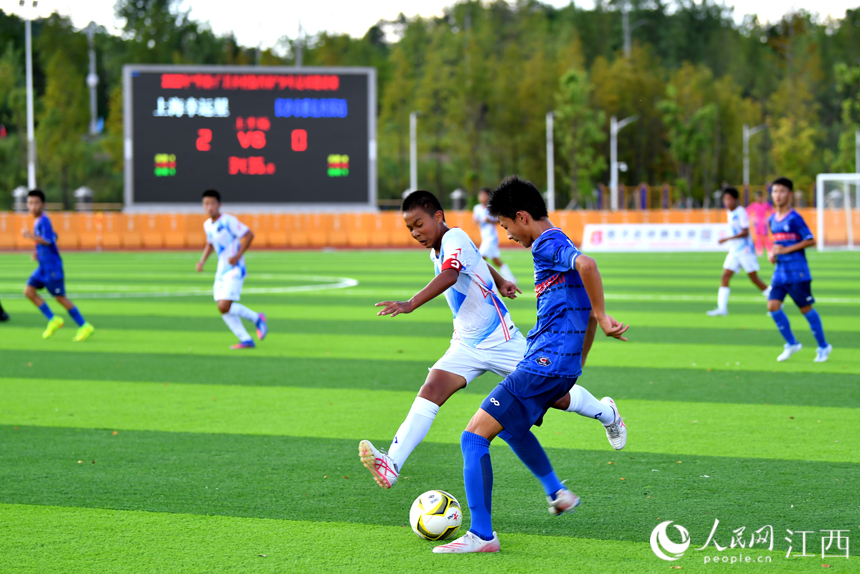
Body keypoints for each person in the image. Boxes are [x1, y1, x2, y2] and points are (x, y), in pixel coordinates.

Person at [359, 190, 622, 491]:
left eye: (419, 224)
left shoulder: (453, 238)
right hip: (466, 343)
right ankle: (392, 464)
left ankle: (608, 414)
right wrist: (500, 281)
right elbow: (476, 258)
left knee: (557, 396)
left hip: (500, 339)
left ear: (438, 217)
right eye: (410, 228)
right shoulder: (444, 246)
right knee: (431, 389)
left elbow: (451, 273)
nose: (415, 232)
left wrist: (411, 303)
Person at [432, 176, 629, 554]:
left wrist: (604, 318)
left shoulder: (547, 243)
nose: (506, 236)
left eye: (506, 226)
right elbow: (583, 307)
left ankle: (482, 535)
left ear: (522, 217)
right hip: (556, 364)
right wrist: (579, 361)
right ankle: (558, 490)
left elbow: (589, 266)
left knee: (473, 436)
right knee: (509, 428)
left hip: (543, 363)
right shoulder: (562, 242)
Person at [766, 177, 831, 363]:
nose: (778, 195)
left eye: (782, 191)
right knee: (772, 307)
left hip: (797, 272)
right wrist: (773, 254)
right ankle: (792, 343)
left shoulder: (795, 218)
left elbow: (810, 240)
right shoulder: (772, 220)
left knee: (805, 309)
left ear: (790, 194)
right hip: (780, 272)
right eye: (775, 191)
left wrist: (786, 250)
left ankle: (823, 346)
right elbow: (778, 244)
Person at [196, 189, 267, 349]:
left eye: (213, 203)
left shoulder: (228, 221)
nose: (209, 207)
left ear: (219, 205)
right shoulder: (207, 225)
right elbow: (211, 243)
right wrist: (202, 261)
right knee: (222, 308)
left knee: (224, 305)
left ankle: (257, 318)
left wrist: (237, 255)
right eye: (206, 204)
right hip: (221, 270)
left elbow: (248, 234)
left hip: (235, 268)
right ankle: (246, 339)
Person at [21, 189, 94, 341]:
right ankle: (53, 319)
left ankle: (84, 325)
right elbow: (53, 237)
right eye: (30, 203)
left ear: (43, 204)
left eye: (36, 203)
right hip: (43, 267)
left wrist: (30, 236)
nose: (32, 206)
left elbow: (49, 239)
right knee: (28, 291)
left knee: (60, 298)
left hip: (52, 267)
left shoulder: (44, 220)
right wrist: (38, 253)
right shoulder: (38, 221)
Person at [706, 187, 770, 316]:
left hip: (745, 250)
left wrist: (727, 238)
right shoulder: (729, 212)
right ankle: (722, 309)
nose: (727, 202)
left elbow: (745, 231)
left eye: (729, 199)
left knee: (754, 279)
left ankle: (775, 301)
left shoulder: (740, 212)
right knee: (725, 276)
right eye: (725, 199)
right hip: (734, 250)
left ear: (735, 200)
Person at [473, 187, 517, 283]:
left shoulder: (491, 208)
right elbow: (475, 220)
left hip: (491, 237)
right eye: (480, 195)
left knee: (480, 258)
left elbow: (499, 220)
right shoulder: (476, 208)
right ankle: (511, 278)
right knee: (496, 260)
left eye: (483, 195)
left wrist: (490, 221)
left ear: (488, 196)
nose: (481, 197)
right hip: (484, 237)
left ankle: (480, 279)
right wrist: (478, 220)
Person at [747, 190, 774, 256]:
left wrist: (768, 218)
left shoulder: (766, 205)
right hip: (757, 223)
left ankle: (769, 250)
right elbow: (747, 212)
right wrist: (753, 218)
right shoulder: (754, 205)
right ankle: (759, 251)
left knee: (766, 237)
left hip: (764, 223)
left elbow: (772, 212)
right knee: (758, 237)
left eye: (760, 197)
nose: (759, 198)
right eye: (758, 197)